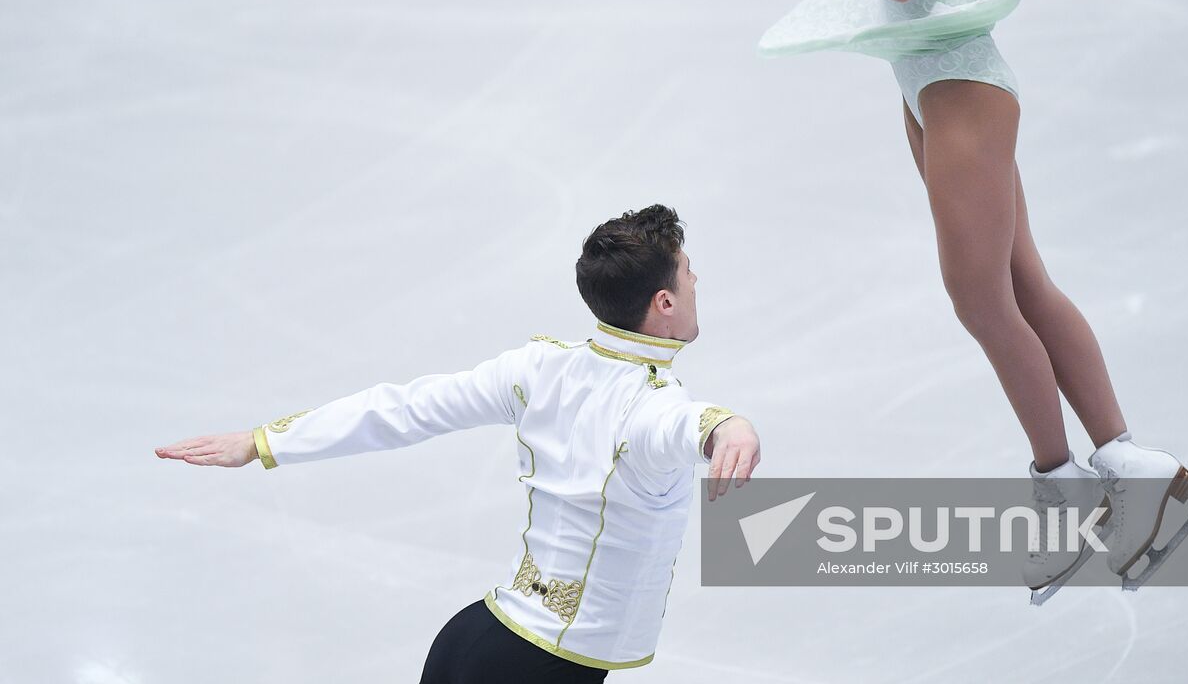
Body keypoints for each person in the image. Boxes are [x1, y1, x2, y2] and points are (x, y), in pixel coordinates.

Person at [760, 0, 1188, 602]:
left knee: (980, 301)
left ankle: (1068, 489)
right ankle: (1138, 470)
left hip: (957, 85)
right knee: (1020, 288)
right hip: (933, 84)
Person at [156, 204, 761, 680]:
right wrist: (725, 425)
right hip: (541, 670)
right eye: (687, 273)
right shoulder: (653, 405)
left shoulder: (536, 369)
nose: (696, 279)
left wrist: (265, 441)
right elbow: (680, 425)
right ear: (663, 303)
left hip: (473, 642)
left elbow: (404, 408)